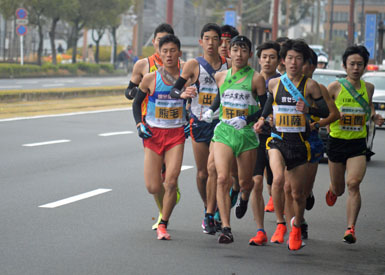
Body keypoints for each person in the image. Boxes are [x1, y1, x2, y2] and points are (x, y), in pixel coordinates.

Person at [254, 39, 329, 251]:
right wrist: (262, 119)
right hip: (278, 139)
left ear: (304, 62)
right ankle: (280, 224)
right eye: (289, 58)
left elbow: (324, 112)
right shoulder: (274, 83)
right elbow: (268, 105)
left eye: (298, 59)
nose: (293, 63)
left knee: (297, 194)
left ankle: (296, 226)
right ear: (283, 61)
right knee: (277, 179)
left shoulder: (311, 86)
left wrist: (308, 109)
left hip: (300, 143)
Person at [202, 35, 266, 243]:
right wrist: (211, 111)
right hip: (224, 132)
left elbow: (265, 107)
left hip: (246, 134)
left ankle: (242, 194)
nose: (239, 55)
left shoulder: (256, 78)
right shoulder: (221, 76)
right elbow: (220, 97)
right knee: (222, 177)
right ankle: (226, 228)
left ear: (249, 54)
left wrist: (248, 118)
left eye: (243, 50)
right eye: (235, 50)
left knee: (246, 182)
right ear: (229, 52)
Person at [171, 23, 230, 234]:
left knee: (215, 169)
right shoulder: (193, 65)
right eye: (207, 38)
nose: (211, 43)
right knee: (204, 172)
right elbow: (174, 92)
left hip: (222, 123)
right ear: (201, 41)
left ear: (221, 41)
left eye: (215, 38)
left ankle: (211, 213)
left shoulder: (228, 65)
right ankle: (208, 205)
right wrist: (184, 94)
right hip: (198, 122)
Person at [125, 23, 181, 231]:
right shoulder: (144, 65)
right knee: (154, 182)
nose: (165, 49)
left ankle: (164, 217)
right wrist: (135, 94)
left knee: (170, 178)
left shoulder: (183, 69)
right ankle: (163, 205)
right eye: (160, 41)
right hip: (151, 126)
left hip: (174, 128)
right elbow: (130, 91)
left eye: (169, 44)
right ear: (155, 43)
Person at [325, 45, 384, 244]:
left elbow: (369, 108)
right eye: (352, 64)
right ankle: (333, 189)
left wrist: (375, 118)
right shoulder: (334, 87)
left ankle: (350, 228)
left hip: (357, 144)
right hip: (336, 143)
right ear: (345, 66)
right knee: (340, 188)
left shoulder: (369, 88)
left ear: (365, 67)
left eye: (360, 64)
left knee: (354, 184)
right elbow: (323, 109)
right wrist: (330, 117)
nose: (356, 68)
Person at [283, 48, 339, 240]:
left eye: (303, 61)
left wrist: (317, 123)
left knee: (303, 190)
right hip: (289, 138)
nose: (298, 65)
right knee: (288, 187)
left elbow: (334, 114)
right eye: (293, 59)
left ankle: (305, 202)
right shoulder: (283, 83)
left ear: (312, 66)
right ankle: (296, 226)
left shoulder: (318, 89)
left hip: (311, 140)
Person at [248, 40, 281, 246]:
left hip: (280, 139)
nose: (267, 61)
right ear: (258, 59)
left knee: (279, 184)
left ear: (279, 60)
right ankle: (260, 231)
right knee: (256, 182)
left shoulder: (284, 81)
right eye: (264, 57)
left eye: (272, 57)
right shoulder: (250, 80)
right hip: (256, 138)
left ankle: (284, 224)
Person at [125, 23, 175, 100]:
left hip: (174, 111)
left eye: (166, 40)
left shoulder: (182, 66)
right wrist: (133, 92)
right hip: (149, 111)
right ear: (153, 41)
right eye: (159, 40)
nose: (162, 43)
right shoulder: (142, 65)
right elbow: (129, 90)